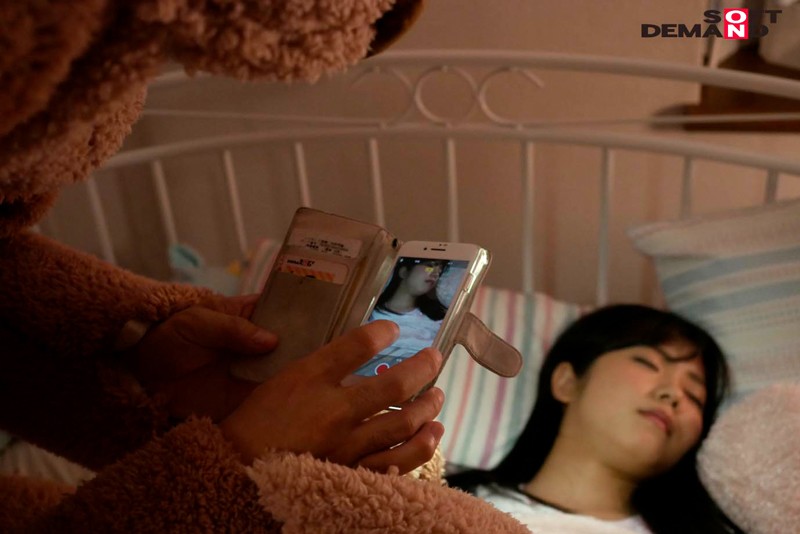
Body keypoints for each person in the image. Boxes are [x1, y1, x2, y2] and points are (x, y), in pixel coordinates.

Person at [447, 304, 745, 534]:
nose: (674, 395)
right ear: (566, 382)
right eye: (648, 363)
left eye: (694, 395)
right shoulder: (449, 504)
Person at [355, 258, 449, 376]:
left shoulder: (438, 321)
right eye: (430, 266)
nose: (435, 274)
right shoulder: (366, 314)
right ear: (404, 272)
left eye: (439, 271)